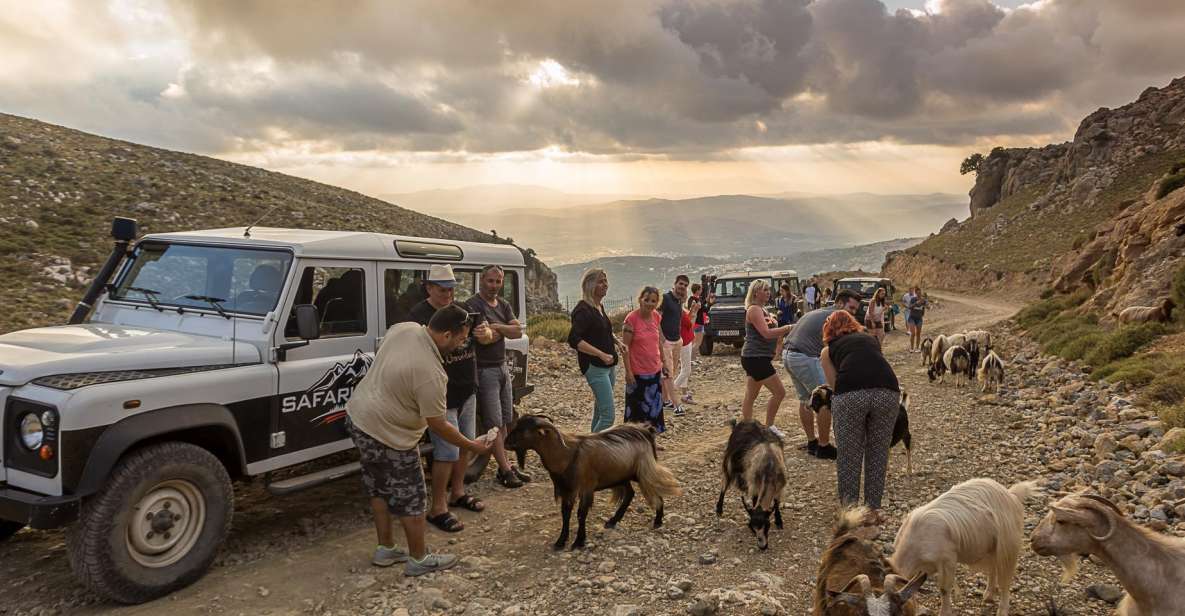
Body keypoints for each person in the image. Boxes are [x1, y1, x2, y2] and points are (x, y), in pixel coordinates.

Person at [345, 305, 495, 575]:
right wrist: (473, 446)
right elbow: (439, 425)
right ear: (447, 334)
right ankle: (418, 559)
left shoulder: (405, 329)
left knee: (378, 485)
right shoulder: (432, 373)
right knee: (413, 495)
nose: (463, 344)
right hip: (391, 433)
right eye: (462, 338)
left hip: (359, 418)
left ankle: (386, 549)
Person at [407, 265, 490, 532]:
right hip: (441, 393)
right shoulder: (418, 315)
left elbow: (486, 333)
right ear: (429, 288)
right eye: (443, 290)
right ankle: (438, 506)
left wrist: (484, 334)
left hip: (467, 386)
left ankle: (458, 492)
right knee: (446, 451)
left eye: (452, 289)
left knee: (464, 445)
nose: (448, 295)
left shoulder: (462, 308)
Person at [819, 309, 900, 520]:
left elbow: (834, 385)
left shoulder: (828, 350)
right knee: (878, 452)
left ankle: (850, 512)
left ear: (829, 329)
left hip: (850, 396)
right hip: (888, 391)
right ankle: (872, 510)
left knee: (849, 455)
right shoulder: (870, 339)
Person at [466, 265, 529, 488]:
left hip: (502, 367)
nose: (494, 286)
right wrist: (502, 330)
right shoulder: (473, 305)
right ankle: (504, 470)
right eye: (490, 281)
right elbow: (484, 339)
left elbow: (518, 331)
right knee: (493, 424)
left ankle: (507, 466)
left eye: (498, 281)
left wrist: (496, 327)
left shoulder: (503, 304)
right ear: (481, 280)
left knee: (505, 421)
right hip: (484, 370)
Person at [782, 289, 861, 459]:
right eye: (851, 308)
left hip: (789, 354)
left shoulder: (819, 311)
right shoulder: (836, 318)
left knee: (806, 399)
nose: (853, 313)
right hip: (804, 356)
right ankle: (823, 447)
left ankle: (812, 442)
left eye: (855, 310)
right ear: (840, 303)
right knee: (826, 398)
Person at [567, 268, 621, 433]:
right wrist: (601, 354)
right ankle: (588, 450)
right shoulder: (582, 310)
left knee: (600, 412)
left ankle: (591, 451)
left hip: (609, 366)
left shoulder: (598, 306)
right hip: (595, 367)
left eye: (605, 281)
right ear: (590, 285)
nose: (605, 284)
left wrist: (617, 342)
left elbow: (602, 330)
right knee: (608, 417)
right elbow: (574, 340)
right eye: (600, 281)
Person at [740, 280, 793, 433]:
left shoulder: (763, 310)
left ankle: (747, 428)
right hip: (755, 357)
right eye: (765, 289)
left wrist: (777, 347)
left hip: (758, 357)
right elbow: (766, 333)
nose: (768, 292)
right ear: (756, 292)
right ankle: (769, 427)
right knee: (779, 392)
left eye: (769, 289)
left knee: (751, 395)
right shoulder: (754, 309)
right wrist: (788, 328)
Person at [622, 286, 666, 433]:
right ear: (640, 299)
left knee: (654, 410)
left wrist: (664, 362)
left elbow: (658, 340)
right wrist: (628, 372)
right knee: (637, 412)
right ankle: (634, 444)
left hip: (654, 371)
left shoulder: (656, 317)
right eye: (646, 299)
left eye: (653, 301)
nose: (649, 303)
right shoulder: (631, 319)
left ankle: (651, 439)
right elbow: (625, 347)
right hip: (637, 373)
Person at [659, 275, 690, 413]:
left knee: (671, 372)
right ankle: (675, 404)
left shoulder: (679, 301)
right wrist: (662, 339)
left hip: (677, 340)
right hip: (666, 341)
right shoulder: (665, 298)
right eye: (681, 284)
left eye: (685, 285)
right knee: (668, 373)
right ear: (675, 284)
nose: (682, 287)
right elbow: (656, 319)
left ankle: (664, 400)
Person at [674, 295, 700, 408]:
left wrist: (692, 311)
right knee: (686, 370)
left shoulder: (680, 309)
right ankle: (669, 394)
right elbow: (691, 324)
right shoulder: (679, 310)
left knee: (684, 368)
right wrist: (695, 312)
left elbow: (687, 320)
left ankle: (684, 394)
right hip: (684, 341)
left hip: (685, 340)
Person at [903, 285, 929, 353]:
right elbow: (910, 307)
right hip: (912, 318)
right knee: (913, 333)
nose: (919, 294)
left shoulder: (923, 299)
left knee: (918, 334)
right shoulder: (913, 299)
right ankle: (911, 348)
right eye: (917, 293)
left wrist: (926, 305)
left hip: (919, 318)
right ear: (915, 293)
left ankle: (917, 348)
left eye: (920, 293)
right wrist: (916, 303)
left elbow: (928, 306)